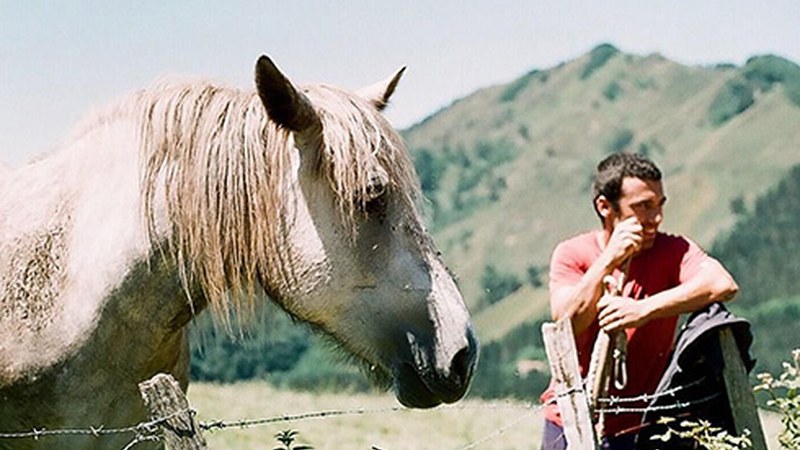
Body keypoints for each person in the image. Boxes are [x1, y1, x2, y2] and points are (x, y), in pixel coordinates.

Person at [539, 153, 739, 450]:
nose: (655, 218)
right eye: (643, 206)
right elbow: (566, 324)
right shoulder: (572, 254)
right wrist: (608, 260)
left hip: (646, 426)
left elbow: (722, 284)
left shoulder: (673, 250)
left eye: (659, 205)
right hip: (571, 421)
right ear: (605, 207)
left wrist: (642, 310)